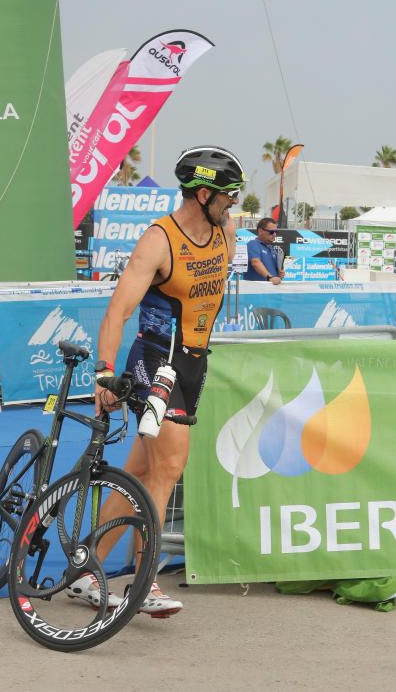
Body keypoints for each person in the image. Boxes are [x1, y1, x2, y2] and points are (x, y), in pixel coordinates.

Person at [66, 146, 246, 616]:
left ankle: (87, 569)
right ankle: (144, 582)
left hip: (193, 363)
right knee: (169, 467)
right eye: (227, 195)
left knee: (141, 474)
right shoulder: (158, 240)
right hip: (155, 362)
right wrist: (105, 371)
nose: (234, 204)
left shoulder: (226, 229)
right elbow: (119, 309)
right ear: (202, 193)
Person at [244, 217, 284, 284]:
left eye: (276, 232)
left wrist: (279, 275)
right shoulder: (253, 244)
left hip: (270, 290)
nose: (274, 234)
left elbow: (275, 274)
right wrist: (270, 278)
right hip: (255, 291)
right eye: (271, 232)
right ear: (260, 231)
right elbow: (255, 262)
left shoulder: (272, 249)